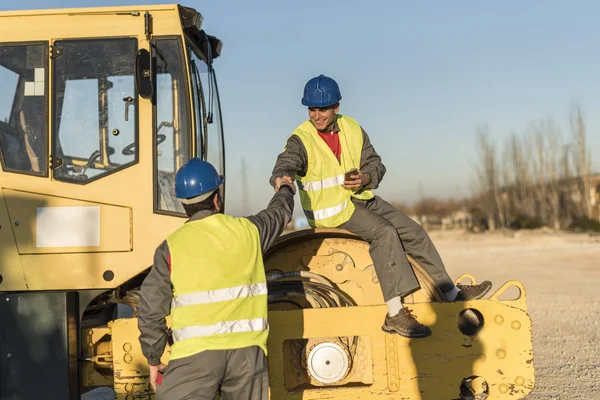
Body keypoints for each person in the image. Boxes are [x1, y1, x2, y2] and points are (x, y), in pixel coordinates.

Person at [270, 74, 492, 339]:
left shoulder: (352, 128)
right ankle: (395, 313)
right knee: (384, 233)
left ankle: (450, 293)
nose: (316, 115)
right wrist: (282, 176)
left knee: (413, 232)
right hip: (330, 211)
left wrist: (365, 177)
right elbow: (287, 161)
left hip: (360, 198)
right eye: (312, 109)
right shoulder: (301, 138)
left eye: (323, 109)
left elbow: (375, 163)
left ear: (336, 107)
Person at [138, 158, 295, 400]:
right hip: (247, 355)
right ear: (216, 198)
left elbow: (150, 309)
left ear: (183, 204)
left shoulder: (171, 248)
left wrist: (153, 357)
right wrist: (285, 187)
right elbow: (279, 213)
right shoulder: (250, 231)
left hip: (193, 357)